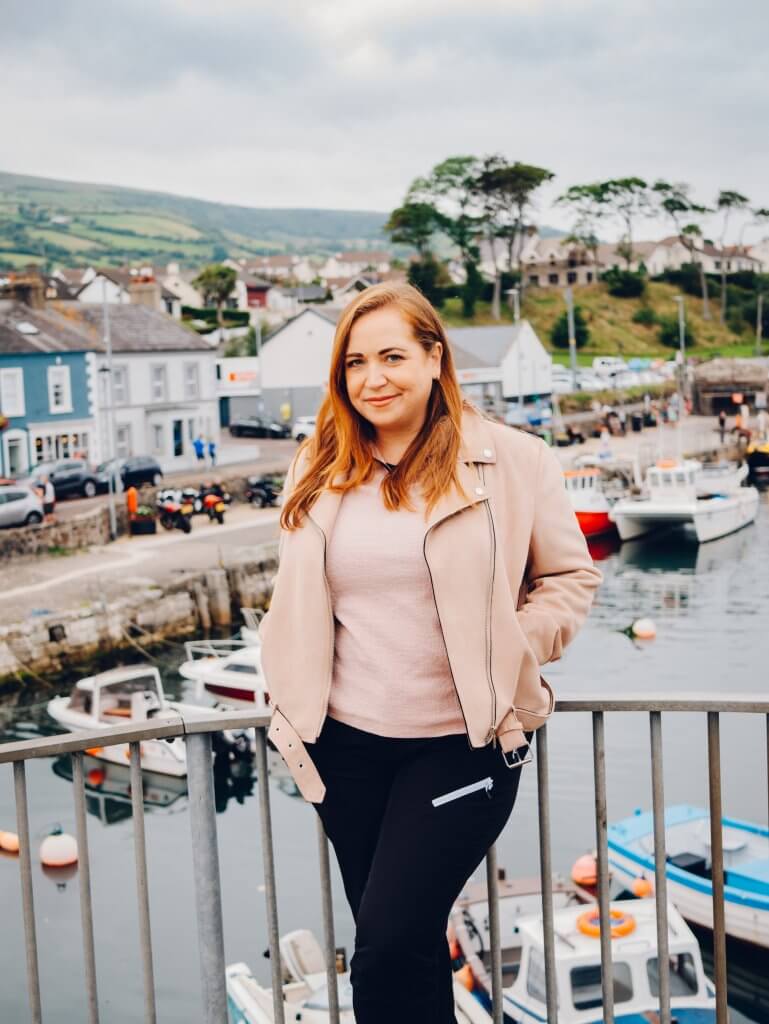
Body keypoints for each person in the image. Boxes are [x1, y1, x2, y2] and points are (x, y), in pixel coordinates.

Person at [258, 282, 601, 1023]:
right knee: (405, 947)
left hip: (459, 746)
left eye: (391, 357)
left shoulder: (512, 460)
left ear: (434, 358)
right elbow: (300, 593)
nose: (372, 379)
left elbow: (570, 577)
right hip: (342, 747)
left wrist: (512, 647)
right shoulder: (317, 465)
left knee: (381, 944)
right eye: (355, 362)